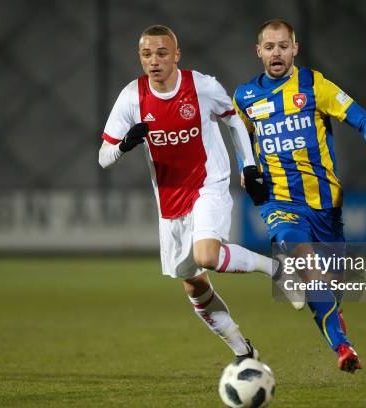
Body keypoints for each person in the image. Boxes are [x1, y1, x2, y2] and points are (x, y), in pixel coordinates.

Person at [98, 24, 292, 362]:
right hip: (170, 206)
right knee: (195, 287)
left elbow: (232, 119)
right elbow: (103, 157)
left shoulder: (201, 86)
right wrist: (125, 145)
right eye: (147, 54)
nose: (154, 61)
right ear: (140, 58)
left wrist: (248, 165)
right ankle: (244, 352)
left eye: (161, 53)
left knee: (206, 256)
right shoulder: (132, 96)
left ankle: (277, 269)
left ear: (176, 55)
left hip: (208, 184)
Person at [233, 19, 366, 373]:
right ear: (259, 51)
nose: (276, 53)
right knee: (309, 268)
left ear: (295, 49)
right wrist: (245, 167)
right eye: (269, 47)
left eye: (283, 46)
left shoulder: (315, 85)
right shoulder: (244, 97)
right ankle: (343, 347)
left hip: (325, 206)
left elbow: (361, 118)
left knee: (330, 287)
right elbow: (241, 140)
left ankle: (332, 315)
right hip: (278, 202)